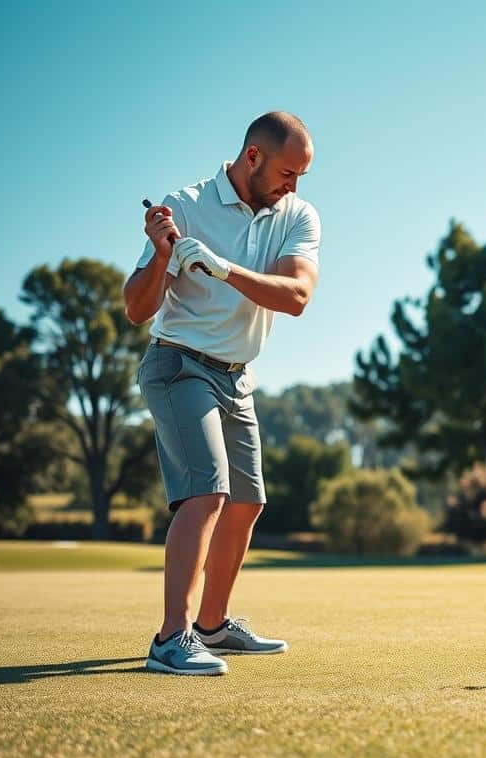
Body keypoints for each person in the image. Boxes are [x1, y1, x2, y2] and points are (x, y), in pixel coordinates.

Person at [123, 111, 320, 675]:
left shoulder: (297, 215)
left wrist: (221, 267)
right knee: (207, 491)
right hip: (177, 364)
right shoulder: (183, 206)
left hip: (236, 375)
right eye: (287, 172)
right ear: (252, 158)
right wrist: (164, 255)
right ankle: (171, 638)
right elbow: (138, 310)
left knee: (247, 501)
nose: (294, 186)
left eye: (302, 175)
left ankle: (212, 625)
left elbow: (296, 295)